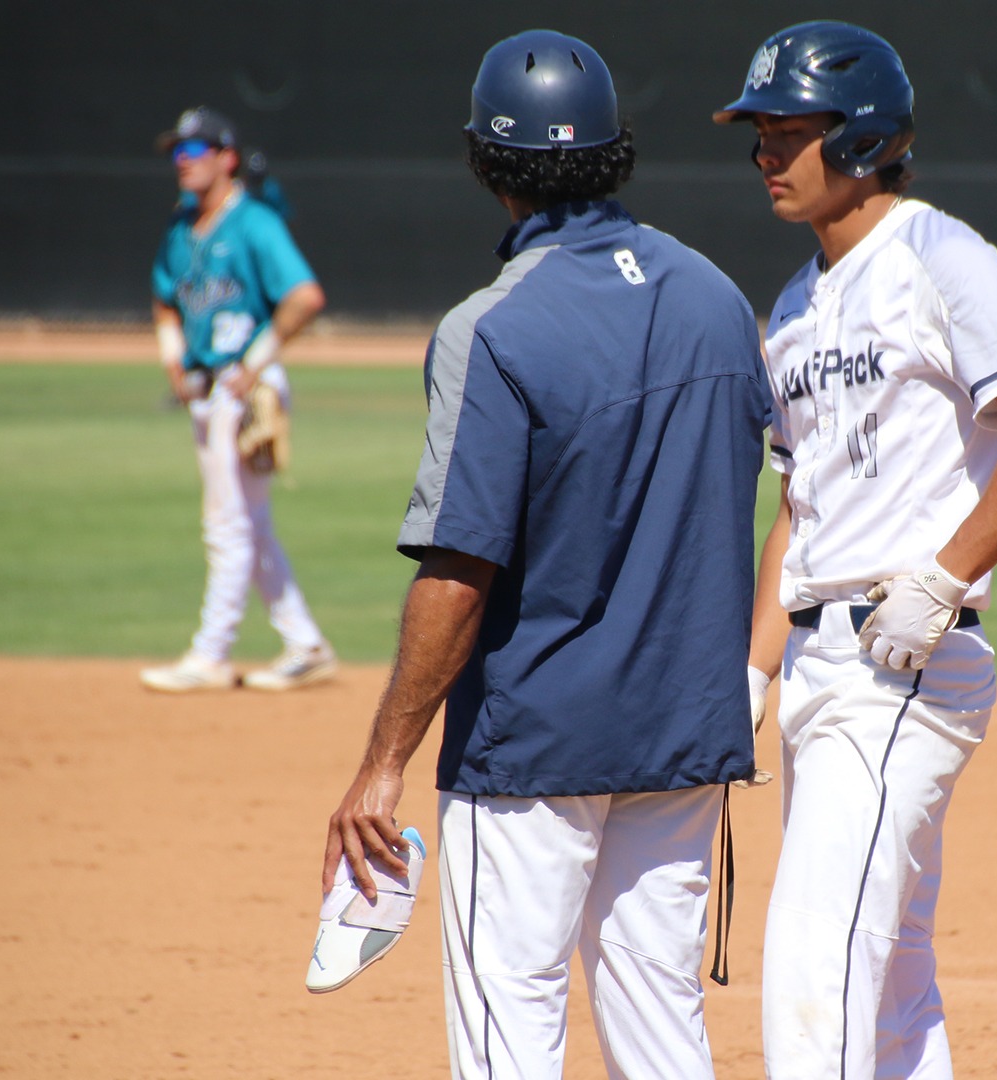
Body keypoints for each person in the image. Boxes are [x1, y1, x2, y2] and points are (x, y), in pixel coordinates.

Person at [321, 30, 769, 1080]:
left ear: (486, 162)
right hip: (683, 734)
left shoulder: (493, 328)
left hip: (531, 748)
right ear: (616, 149)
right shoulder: (715, 296)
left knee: (508, 1031)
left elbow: (458, 569)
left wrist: (382, 766)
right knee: (661, 1028)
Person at [715, 21, 997, 1079]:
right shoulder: (793, 305)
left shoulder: (940, 255)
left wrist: (943, 574)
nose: (762, 156)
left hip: (904, 664)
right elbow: (800, 498)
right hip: (817, 663)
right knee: (887, 978)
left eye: (785, 132)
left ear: (859, 138)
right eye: (757, 133)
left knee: (813, 959)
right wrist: (751, 673)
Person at [142, 106, 337, 693]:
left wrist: (256, 363)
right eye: (176, 152)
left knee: (227, 523)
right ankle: (304, 643)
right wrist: (173, 355)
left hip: (242, 389)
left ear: (226, 158)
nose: (181, 162)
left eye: (193, 151)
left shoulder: (253, 224)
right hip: (208, 390)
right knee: (249, 523)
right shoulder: (183, 230)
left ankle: (210, 654)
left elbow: (304, 297)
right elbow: (162, 300)